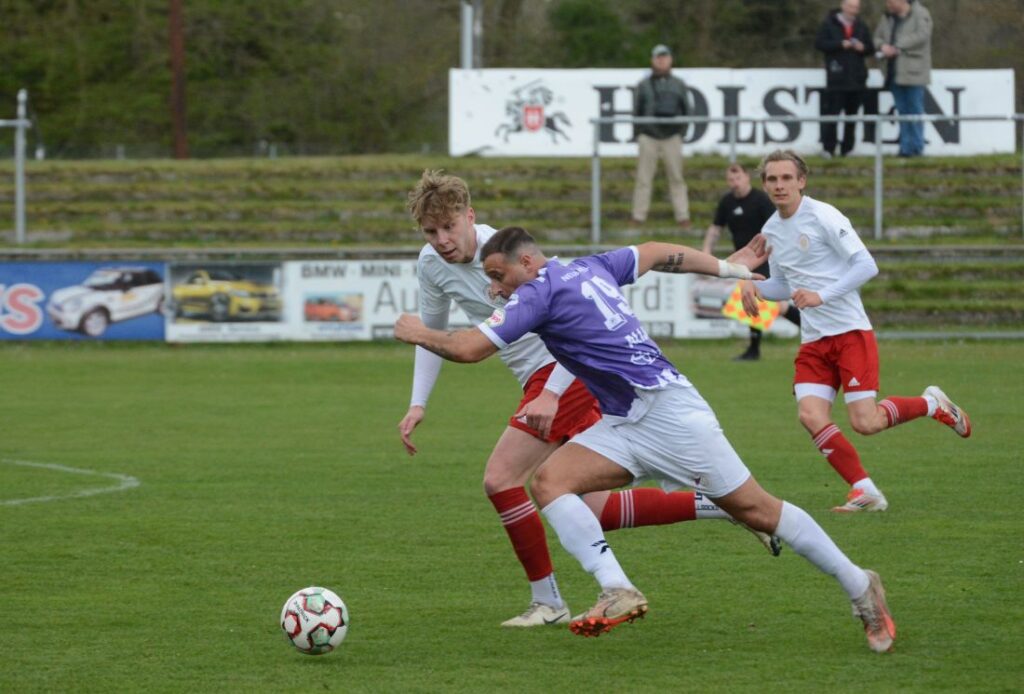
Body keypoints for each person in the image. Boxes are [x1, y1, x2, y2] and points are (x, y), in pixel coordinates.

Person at [394, 226, 898, 654]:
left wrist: (417, 330)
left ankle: (860, 585)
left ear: (527, 262)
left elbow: (467, 348)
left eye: (499, 277)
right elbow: (657, 253)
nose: (497, 290)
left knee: (759, 510)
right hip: (623, 417)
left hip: (669, 414)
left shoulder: (537, 292)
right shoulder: (590, 266)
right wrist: (729, 268)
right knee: (549, 482)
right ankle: (616, 588)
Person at [399, 170, 778, 628]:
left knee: (501, 480)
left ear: (470, 216)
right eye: (431, 231)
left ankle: (548, 602)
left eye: (449, 227)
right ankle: (721, 503)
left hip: (561, 376)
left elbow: (578, 323)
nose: (441, 239)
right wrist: (419, 403)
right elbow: (434, 332)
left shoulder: (510, 255)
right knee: (590, 507)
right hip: (543, 384)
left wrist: (553, 393)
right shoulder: (430, 264)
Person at [741, 150, 970, 513]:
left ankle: (931, 404)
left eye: (787, 178)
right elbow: (784, 284)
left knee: (867, 422)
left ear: (802, 181)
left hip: (850, 332)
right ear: (764, 184)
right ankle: (865, 491)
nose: (779, 185)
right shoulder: (771, 230)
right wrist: (754, 285)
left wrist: (822, 295)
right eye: (772, 179)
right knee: (810, 415)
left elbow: (866, 265)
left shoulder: (823, 215)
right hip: (815, 341)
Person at [702, 162, 802, 361]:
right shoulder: (727, 202)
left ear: (747, 177)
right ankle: (755, 349)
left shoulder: (760, 200)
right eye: (730, 179)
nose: (734, 183)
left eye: (738, 178)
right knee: (755, 301)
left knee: (768, 303)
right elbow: (715, 228)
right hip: (744, 262)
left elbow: (777, 226)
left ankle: (812, 331)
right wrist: (706, 251)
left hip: (765, 257)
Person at [631, 44, 693, 231]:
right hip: (648, 136)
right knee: (643, 178)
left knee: (676, 178)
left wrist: (680, 133)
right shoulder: (643, 85)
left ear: (670, 60)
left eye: (664, 57)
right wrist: (640, 133)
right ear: (652, 60)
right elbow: (636, 110)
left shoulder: (679, 84)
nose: (661, 60)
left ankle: (683, 216)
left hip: (672, 136)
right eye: (658, 57)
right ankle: (638, 216)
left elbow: (687, 109)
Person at [815, 0, 874, 158]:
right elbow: (820, 44)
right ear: (843, 6)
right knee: (832, 115)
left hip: (857, 79)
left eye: (856, 7)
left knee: (851, 117)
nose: (853, 10)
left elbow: (870, 48)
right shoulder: (829, 23)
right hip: (836, 79)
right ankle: (828, 148)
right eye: (851, 6)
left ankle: (848, 149)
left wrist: (863, 48)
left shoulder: (861, 25)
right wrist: (840, 44)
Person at [874, 0, 933, 157]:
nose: (888, 4)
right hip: (894, 73)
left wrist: (897, 46)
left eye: (891, 1)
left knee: (914, 111)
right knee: (902, 111)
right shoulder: (887, 18)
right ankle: (905, 148)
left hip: (914, 74)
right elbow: (877, 38)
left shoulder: (921, 14)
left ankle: (917, 148)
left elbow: (922, 35)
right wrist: (882, 46)